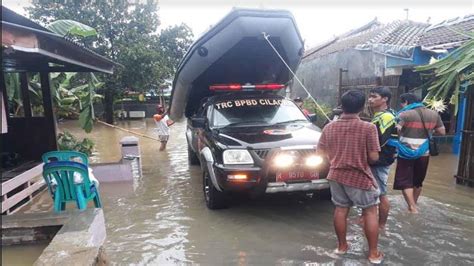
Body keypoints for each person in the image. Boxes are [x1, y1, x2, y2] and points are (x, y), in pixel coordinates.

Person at [317, 90, 383, 264]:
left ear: (342, 105)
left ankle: (341, 247)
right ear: (362, 107)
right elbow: (374, 157)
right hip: (359, 176)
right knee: (370, 211)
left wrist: (334, 159)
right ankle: (373, 254)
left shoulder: (329, 126)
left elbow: (320, 152)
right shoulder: (369, 127)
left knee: (340, 209)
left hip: (335, 175)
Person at [393, 93, 445, 213]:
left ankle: (412, 207)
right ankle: (414, 204)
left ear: (406, 102)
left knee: (406, 181)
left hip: (406, 152)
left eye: (402, 103)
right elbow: (442, 131)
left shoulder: (404, 114)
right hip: (424, 153)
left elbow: (397, 130)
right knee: (418, 181)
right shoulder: (434, 114)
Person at [367, 87, 398, 230]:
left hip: (380, 160)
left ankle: (381, 226)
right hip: (379, 159)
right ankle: (366, 220)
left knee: (382, 193)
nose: (370, 99)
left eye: (374, 96)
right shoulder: (381, 115)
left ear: (385, 99)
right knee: (373, 191)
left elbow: (380, 141)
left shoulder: (386, 117)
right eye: (370, 97)